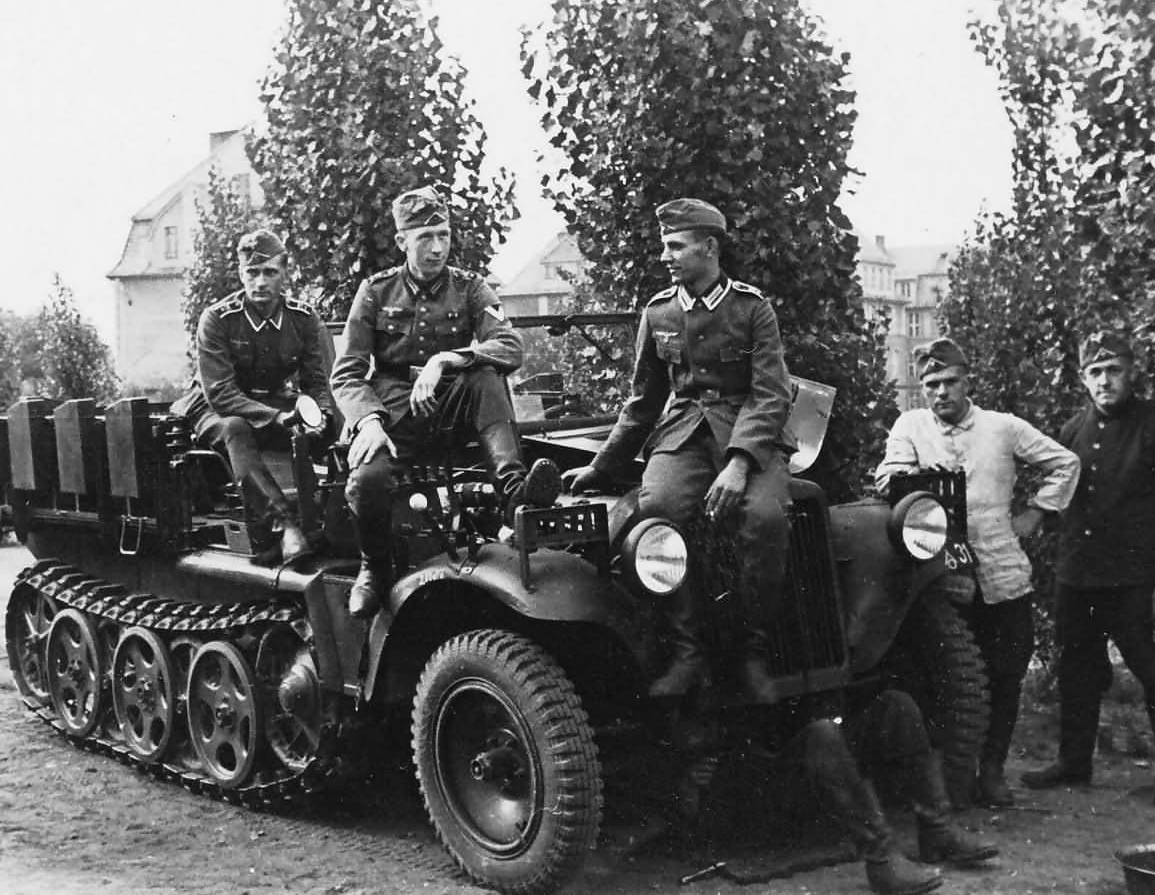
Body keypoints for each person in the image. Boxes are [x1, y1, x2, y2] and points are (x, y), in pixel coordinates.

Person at [563, 197, 793, 702]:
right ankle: (688, 653)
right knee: (658, 511)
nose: (666, 255)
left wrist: (739, 463)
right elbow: (643, 401)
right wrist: (601, 468)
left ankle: (754, 654)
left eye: (676, 245)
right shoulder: (659, 312)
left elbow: (771, 392)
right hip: (684, 431)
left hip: (746, 433)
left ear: (709, 248)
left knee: (766, 518)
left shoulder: (752, 309)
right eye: (665, 245)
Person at [331, 185, 560, 619]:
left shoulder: (470, 288)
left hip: (450, 406)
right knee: (365, 484)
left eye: (444, 234)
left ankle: (517, 496)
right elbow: (346, 373)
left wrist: (449, 358)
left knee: (486, 375)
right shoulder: (376, 292)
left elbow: (509, 346)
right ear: (402, 242)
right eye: (425, 238)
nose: (438, 248)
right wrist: (369, 422)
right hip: (393, 414)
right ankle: (374, 567)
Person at [876, 338, 1079, 806]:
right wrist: (914, 475)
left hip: (1003, 575)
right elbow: (887, 476)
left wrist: (1037, 513)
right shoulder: (910, 425)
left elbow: (1065, 464)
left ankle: (992, 772)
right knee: (951, 677)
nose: (941, 392)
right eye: (931, 384)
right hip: (943, 579)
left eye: (950, 382)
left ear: (968, 381)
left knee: (1006, 678)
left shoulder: (1002, 428)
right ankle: (954, 774)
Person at [1021, 332, 1155, 807]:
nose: (1105, 380)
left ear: (1130, 371)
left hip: (1138, 582)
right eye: (1095, 372)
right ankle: (1075, 762)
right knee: (1078, 671)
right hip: (1078, 579)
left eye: (1113, 370)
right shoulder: (1071, 433)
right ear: (1082, 379)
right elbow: (1055, 500)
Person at [172, 229, 333, 563]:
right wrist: (277, 418)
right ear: (240, 274)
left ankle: (330, 520)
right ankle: (284, 525)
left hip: (272, 399)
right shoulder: (218, 319)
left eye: (270, 272)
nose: (260, 282)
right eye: (252, 273)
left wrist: (320, 416)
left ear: (285, 273)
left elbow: (317, 383)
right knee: (235, 429)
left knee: (327, 428)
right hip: (213, 404)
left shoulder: (302, 319)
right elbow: (221, 393)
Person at [799, 689, 1000, 894]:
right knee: (822, 733)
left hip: (827, 735)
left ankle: (938, 830)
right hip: (782, 764)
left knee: (897, 704)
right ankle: (881, 858)